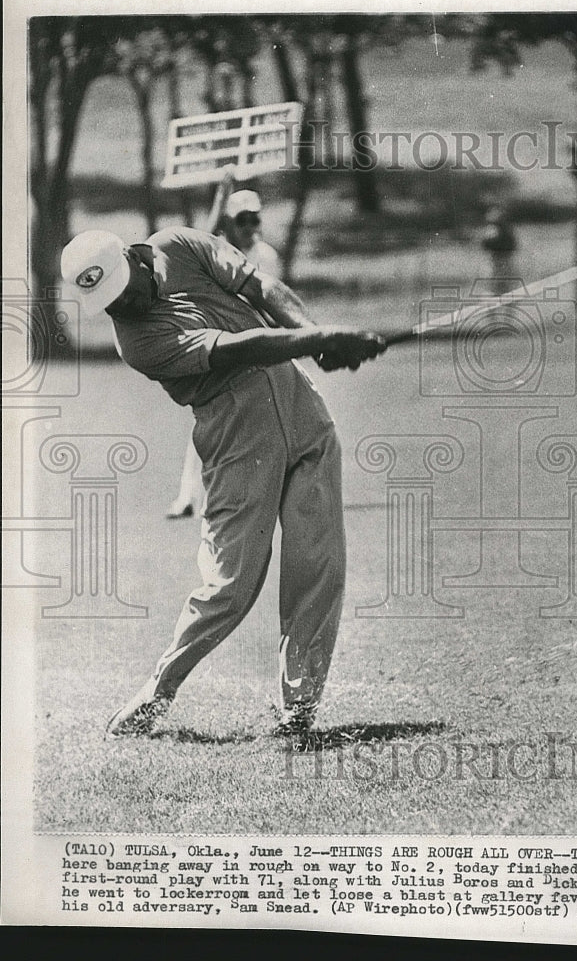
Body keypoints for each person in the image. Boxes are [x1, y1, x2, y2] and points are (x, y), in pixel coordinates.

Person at [61, 226, 386, 740]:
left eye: (125, 290)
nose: (122, 306)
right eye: (109, 304)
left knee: (317, 561)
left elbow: (261, 289)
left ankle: (298, 709)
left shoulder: (180, 245)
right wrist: (320, 339)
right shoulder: (137, 343)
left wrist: (315, 335)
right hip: (237, 438)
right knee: (230, 586)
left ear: (135, 259)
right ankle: (159, 690)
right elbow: (236, 349)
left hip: (301, 409)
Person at [167, 174, 281, 518]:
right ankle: (189, 496)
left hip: (253, 342)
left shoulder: (266, 256)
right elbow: (198, 239)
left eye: (254, 219)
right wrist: (221, 193)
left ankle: (254, 493)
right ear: (229, 222)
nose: (249, 227)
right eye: (241, 220)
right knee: (209, 419)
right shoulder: (215, 251)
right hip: (219, 342)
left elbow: (268, 299)